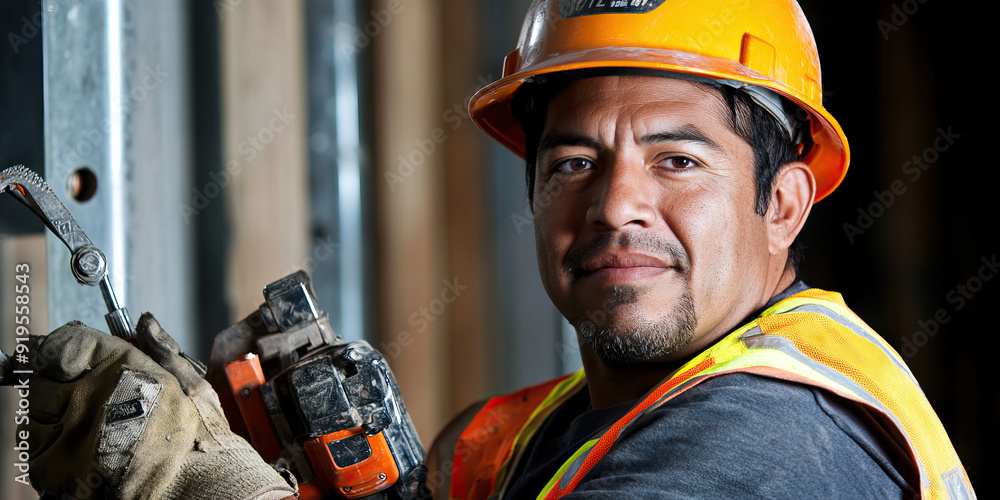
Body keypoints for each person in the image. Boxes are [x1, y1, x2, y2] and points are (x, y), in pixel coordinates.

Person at [18, 0, 973, 499]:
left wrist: (195, 484)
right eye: (573, 163)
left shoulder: (783, 443)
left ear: (784, 204)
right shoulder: (540, 440)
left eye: (677, 160)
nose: (616, 205)